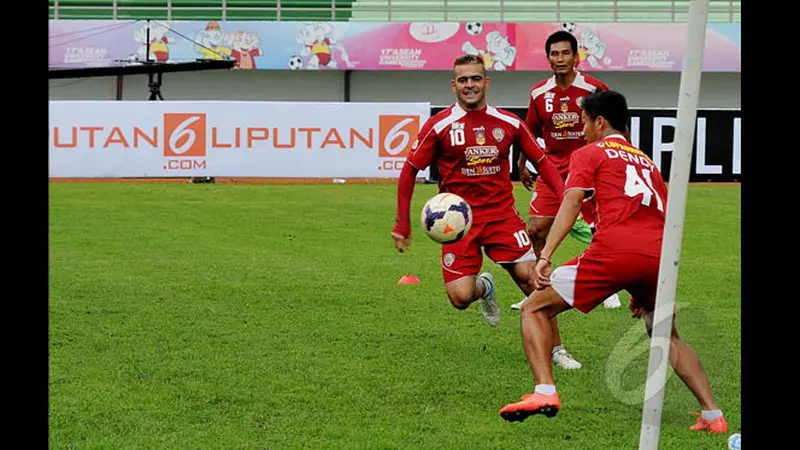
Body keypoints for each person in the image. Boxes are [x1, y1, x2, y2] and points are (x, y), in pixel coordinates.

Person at [498, 90, 727, 434]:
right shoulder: (647, 162)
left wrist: (545, 255)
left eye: (585, 122)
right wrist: (646, 281)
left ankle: (544, 390)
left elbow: (572, 201)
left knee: (534, 308)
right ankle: (713, 415)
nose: (583, 130)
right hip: (657, 256)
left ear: (599, 122)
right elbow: (664, 216)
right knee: (666, 333)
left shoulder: (589, 153)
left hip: (612, 252)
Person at [390, 54, 571, 360]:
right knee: (460, 298)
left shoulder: (508, 122)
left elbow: (542, 161)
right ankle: (484, 288)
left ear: (486, 82)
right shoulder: (439, 127)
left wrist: (567, 197)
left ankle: (557, 350)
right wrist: (402, 225)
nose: (469, 85)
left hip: (503, 218)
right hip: (458, 226)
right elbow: (409, 171)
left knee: (533, 282)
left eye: (475, 78)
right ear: (453, 85)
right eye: (463, 80)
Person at [511, 30, 622, 314]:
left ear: (576, 56)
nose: (560, 59)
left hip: (591, 169)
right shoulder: (539, 92)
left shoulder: (594, 89)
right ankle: (540, 288)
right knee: (536, 230)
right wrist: (522, 163)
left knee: (601, 230)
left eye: (565, 53)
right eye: (554, 54)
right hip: (552, 171)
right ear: (548, 58)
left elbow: (612, 126)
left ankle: (605, 286)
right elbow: (529, 132)